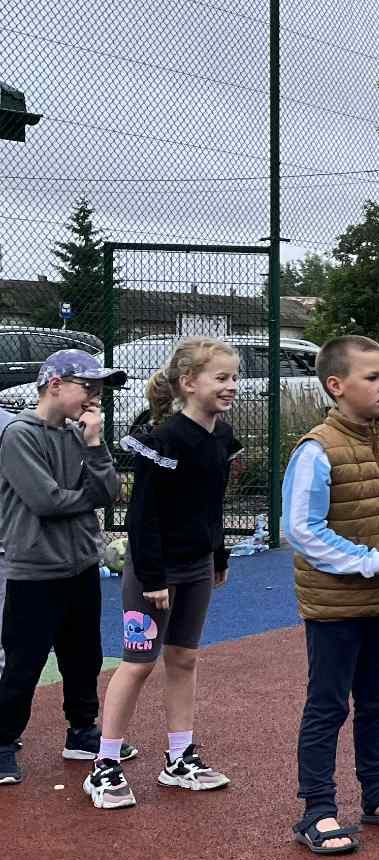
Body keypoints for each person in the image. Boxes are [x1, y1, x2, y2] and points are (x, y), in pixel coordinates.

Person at [280, 335, 379, 855]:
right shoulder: (316, 450)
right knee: (328, 704)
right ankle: (317, 809)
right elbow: (301, 531)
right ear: (336, 386)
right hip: (336, 604)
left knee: (377, 700)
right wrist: (378, 562)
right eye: (372, 377)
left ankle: (377, 793)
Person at [87, 339, 242, 808]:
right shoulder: (164, 439)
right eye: (221, 377)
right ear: (188, 382)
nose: (232, 386)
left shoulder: (222, 437)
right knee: (138, 664)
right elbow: (143, 514)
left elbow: (212, 506)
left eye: (234, 377)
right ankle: (104, 765)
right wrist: (153, 577)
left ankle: (179, 758)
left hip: (197, 566)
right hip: (154, 570)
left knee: (184, 658)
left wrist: (218, 555)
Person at [0, 349, 125, 790]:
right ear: (55, 384)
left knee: (84, 654)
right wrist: (88, 500)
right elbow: (46, 501)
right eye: (87, 387)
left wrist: (95, 444)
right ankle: (3, 740)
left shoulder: (80, 434)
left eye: (99, 390)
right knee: (25, 660)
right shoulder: (19, 435)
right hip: (35, 568)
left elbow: (109, 490)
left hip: (81, 564)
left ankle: (82, 731)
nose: (95, 398)